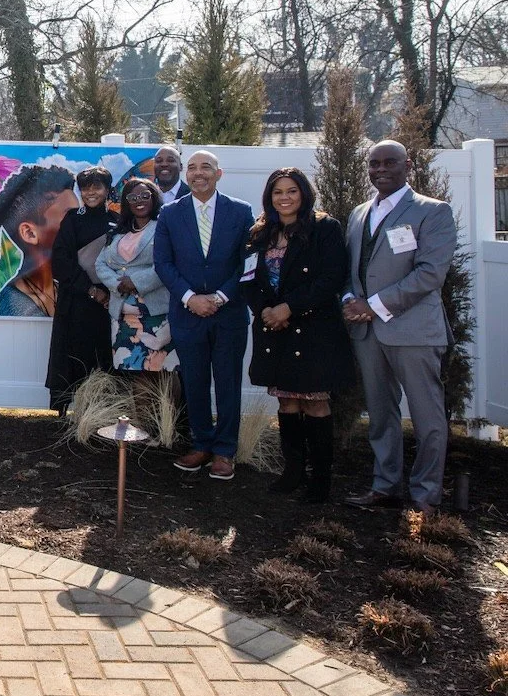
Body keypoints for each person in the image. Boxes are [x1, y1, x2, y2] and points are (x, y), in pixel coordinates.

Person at [342, 140, 457, 515]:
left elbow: (430, 274)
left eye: (389, 162)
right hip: (367, 333)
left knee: (427, 417)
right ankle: (385, 486)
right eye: (373, 163)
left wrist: (373, 306)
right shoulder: (359, 213)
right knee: (380, 414)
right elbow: (351, 269)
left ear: (407, 166)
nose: (380, 170)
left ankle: (425, 494)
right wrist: (349, 300)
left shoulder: (432, 211)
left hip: (413, 331)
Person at [241, 168, 353, 503]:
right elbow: (247, 279)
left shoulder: (324, 228)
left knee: (315, 403)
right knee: (287, 401)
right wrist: (265, 311)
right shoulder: (260, 233)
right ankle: (292, 472)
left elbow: (332, 277)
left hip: (313, 331)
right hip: (275, 331)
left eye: (292, 191)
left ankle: (320, 480)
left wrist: (288, 308)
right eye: (278, 192)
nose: (285, 198)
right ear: (269, 197)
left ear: (304, 193)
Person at [154, 150, 255, 481]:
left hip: (229, 315)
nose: (199, 173)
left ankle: (225, 451)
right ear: (187, 174)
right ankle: (201, 444)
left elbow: (247, 263)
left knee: (227, 383)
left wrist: (220, 297)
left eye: (206, 167)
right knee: (194, 383)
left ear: (218, 174)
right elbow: (163, 263)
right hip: (188, 315)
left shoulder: (241, 212)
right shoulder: (170, 213)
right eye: (193, 168)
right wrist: (190, 298)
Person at [46, 167, 118, 416]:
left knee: (102, 355)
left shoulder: (118, 221)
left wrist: (108, 292)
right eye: (85, 187)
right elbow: (61, 261)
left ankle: (99, 414)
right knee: (71, 355)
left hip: (108, 304)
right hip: (75, 300)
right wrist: (90, 290)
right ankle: (64, 412)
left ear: (107, 189)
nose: (90, 192)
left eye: (97, 186)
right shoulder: (72, 219)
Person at [96, 178, 176, 374]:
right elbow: (100, 263)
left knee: (159, 373)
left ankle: (162, 399)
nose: (139, 200)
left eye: (144, 196)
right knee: (128, 372)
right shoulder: (117, 232)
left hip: (156, 317)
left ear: (154, 198)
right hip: (123, 318)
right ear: (126, 203)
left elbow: (167, 263)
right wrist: (117, 284)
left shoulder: (164, 227)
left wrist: (135, 282)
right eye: (132, 197)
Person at [0, 165, 79, 317]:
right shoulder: (11, 306)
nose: (80, 224)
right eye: (70, 217)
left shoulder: (62, 290)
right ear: (29, 233)